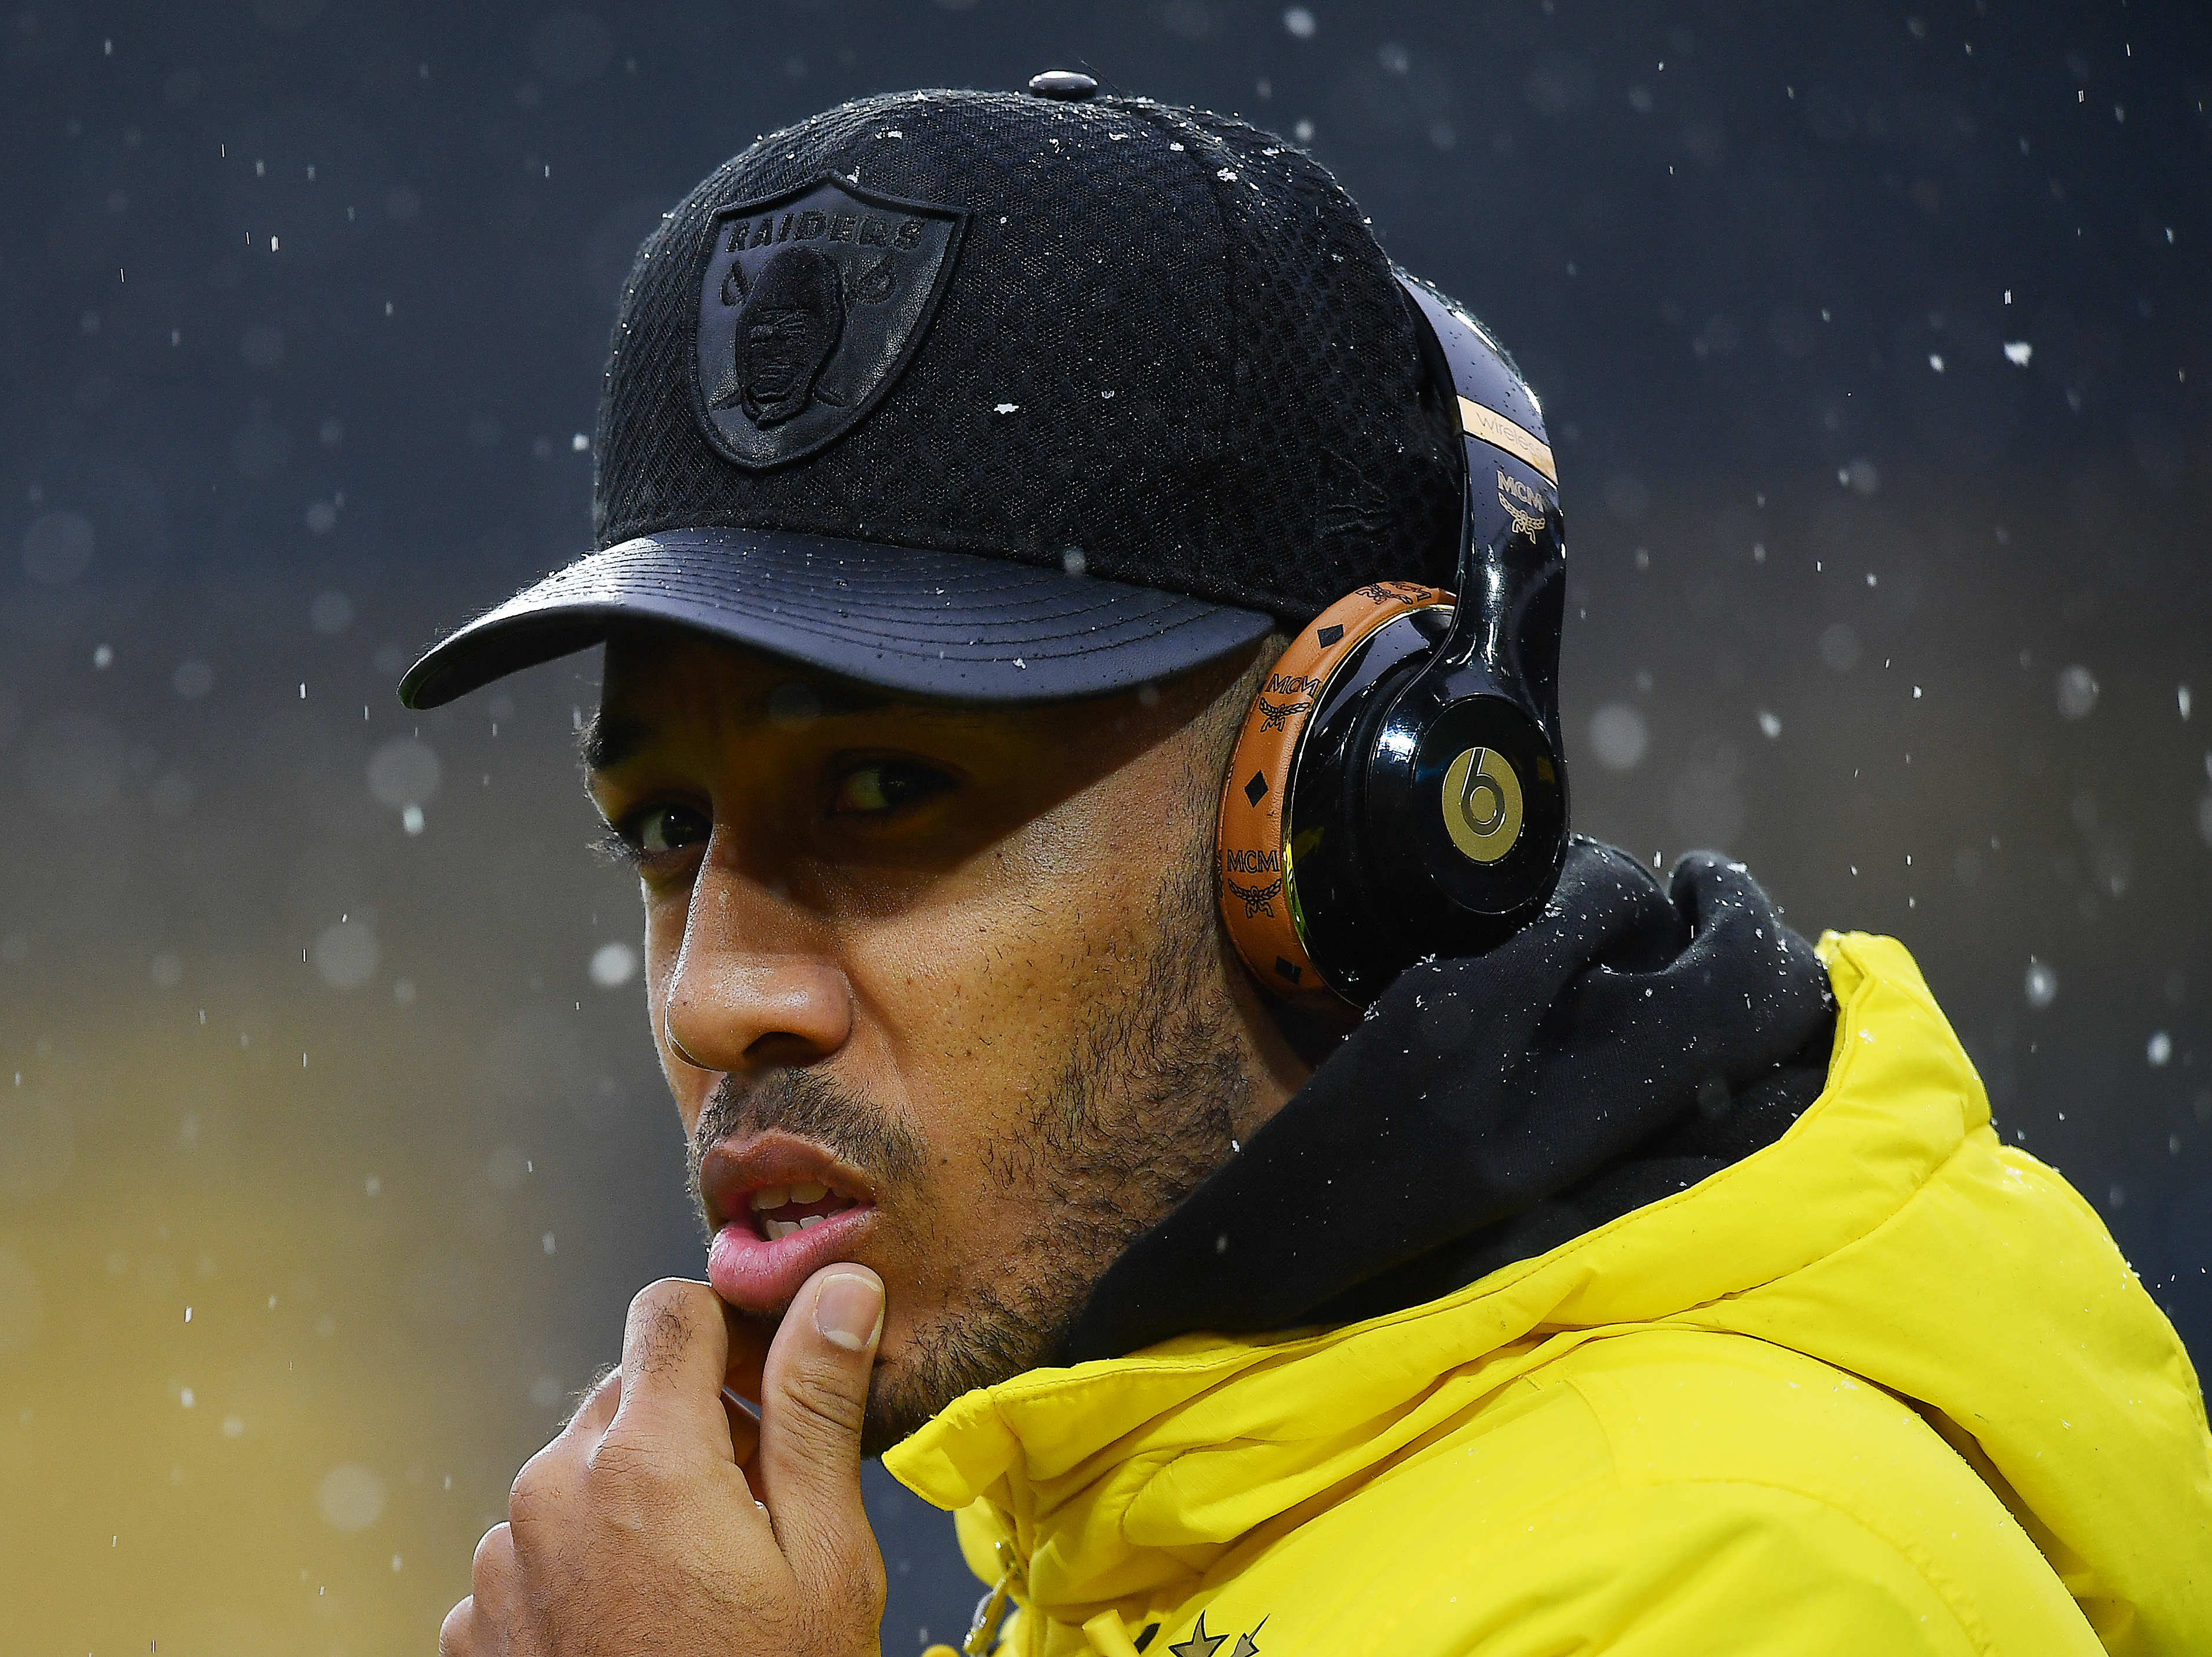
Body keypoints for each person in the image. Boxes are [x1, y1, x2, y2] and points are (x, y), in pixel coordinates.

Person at [414, 78, 2211, 1657]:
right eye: (665, 829)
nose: (715, 988)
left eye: (887, 787)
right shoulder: (1126, 1541)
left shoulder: (1731, 1581)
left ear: (1354, 811)